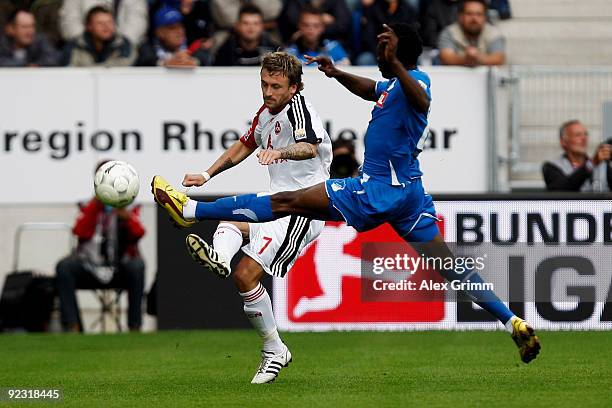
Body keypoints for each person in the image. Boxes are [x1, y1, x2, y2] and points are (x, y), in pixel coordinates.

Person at [152, 23, 540, 365]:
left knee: (287, 200)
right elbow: (372, 89)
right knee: (449, 266)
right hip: (410, 195)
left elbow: (422, 100)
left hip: (376, 189)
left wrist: (397, 62)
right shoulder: (391, 88)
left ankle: (191, 210)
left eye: (384, 48)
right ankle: (512, 321)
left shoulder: (417, 81)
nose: (378, 53)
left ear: (397, 53)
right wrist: (337, 73)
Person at [173, 51, 331, 384]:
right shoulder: (266, 111)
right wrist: (206, 174)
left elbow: (309, 147)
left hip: (302, 209)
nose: (268, 92)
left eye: (276, 86)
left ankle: (274, 349)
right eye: (264, 84)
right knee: (231, 231)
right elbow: (244, 145)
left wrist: (281, 151)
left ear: (294, 88)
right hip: (277, 204)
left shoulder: (298, 110)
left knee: (244, 269)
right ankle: (219, 259)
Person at [56, 160, 145, 332]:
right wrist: (96, 205)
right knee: (64, 267)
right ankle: (72, 325)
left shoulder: (129, 205)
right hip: (89, 266)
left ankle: (135, 326)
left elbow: (139, 233)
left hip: (119, 267)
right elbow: (79, 231)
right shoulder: (87, 205)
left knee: (137, 266)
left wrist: (124, 215)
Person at [542, 120, 612, 192]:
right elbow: (562, 191)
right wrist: (592, 164)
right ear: (563, 142)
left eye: (586, 134)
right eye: (577, 135)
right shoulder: (551, 166)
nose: (584, 138)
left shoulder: (602, 165)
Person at [135, 5, 210, 67]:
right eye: (172, 28)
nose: (179, 32)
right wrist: (165, 63)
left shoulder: (191, 43)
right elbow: (145, 60)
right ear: (159, 33)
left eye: (181, 26)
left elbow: (205, 57)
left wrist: (193, 61)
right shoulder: (148, 47)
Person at [438, 0, 505, 67]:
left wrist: (478, 57)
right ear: (460, 16)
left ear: (485, 17)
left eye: (479, 14)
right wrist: (465, 59)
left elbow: (499, 59)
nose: (474, 19)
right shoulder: (449, 32)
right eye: (469, 14)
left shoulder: (494, 33)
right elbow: (446, 58)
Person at [63, 6, 134, 66]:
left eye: (110, 22)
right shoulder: (75, 46)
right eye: (100, 23)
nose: (106, 27)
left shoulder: (124, 45)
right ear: (89, 26)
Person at [59, 0, 147, 47]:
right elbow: (70, 22)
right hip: (83, 49)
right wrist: (86, 46)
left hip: (123, 49)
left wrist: (123, 46)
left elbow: (137, 21)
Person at [213, 4, 279, 66]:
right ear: (237, 26)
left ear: (262, 26)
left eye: (255, 23)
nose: (251, 27)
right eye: (245, 23)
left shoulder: (274, 51)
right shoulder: (225, 51)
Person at [285, 6, 350, 66]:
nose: (311, 30)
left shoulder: (333, 47)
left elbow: (346, 68)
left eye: (316, 26)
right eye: (306, 25)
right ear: (299, 26)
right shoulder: (289, 53)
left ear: (323, 27)